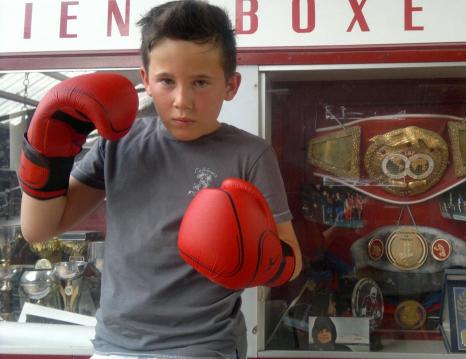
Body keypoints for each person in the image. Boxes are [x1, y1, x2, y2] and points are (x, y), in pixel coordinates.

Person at [19, 1, 302, 358]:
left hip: (202, 345)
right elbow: (39, 230)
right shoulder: (118, 143)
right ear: (146, 81)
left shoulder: (250, 154)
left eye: (200, 82)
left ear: (231, 85)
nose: (183, 101)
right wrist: (46, 152)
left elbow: (292, 262)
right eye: (167, 81)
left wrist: (259, 261)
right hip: (114, 344)